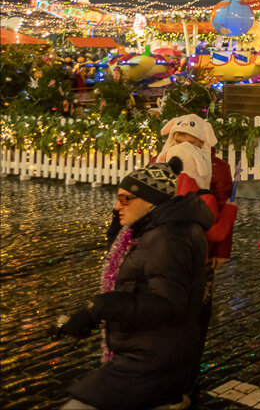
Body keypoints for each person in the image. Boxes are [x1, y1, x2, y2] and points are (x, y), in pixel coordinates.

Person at [58, 159, 212, 410]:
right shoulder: (151, 229)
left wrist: (99, 307)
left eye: (125, 199)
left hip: (151, 360)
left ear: (151, 201)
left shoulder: (167, 237)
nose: (117, 206)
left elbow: (168, 305)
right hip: (149, 352)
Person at [154, 114, 236, 389]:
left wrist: (220, 250)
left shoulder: (216, 167)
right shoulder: (162, 161)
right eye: (181, 139)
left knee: (193, 314)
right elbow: (224, 210)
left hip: (196, 250)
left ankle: (182, 376)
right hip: (187, 249)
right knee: (184, 315)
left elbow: (222, 208)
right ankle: (177, 377)